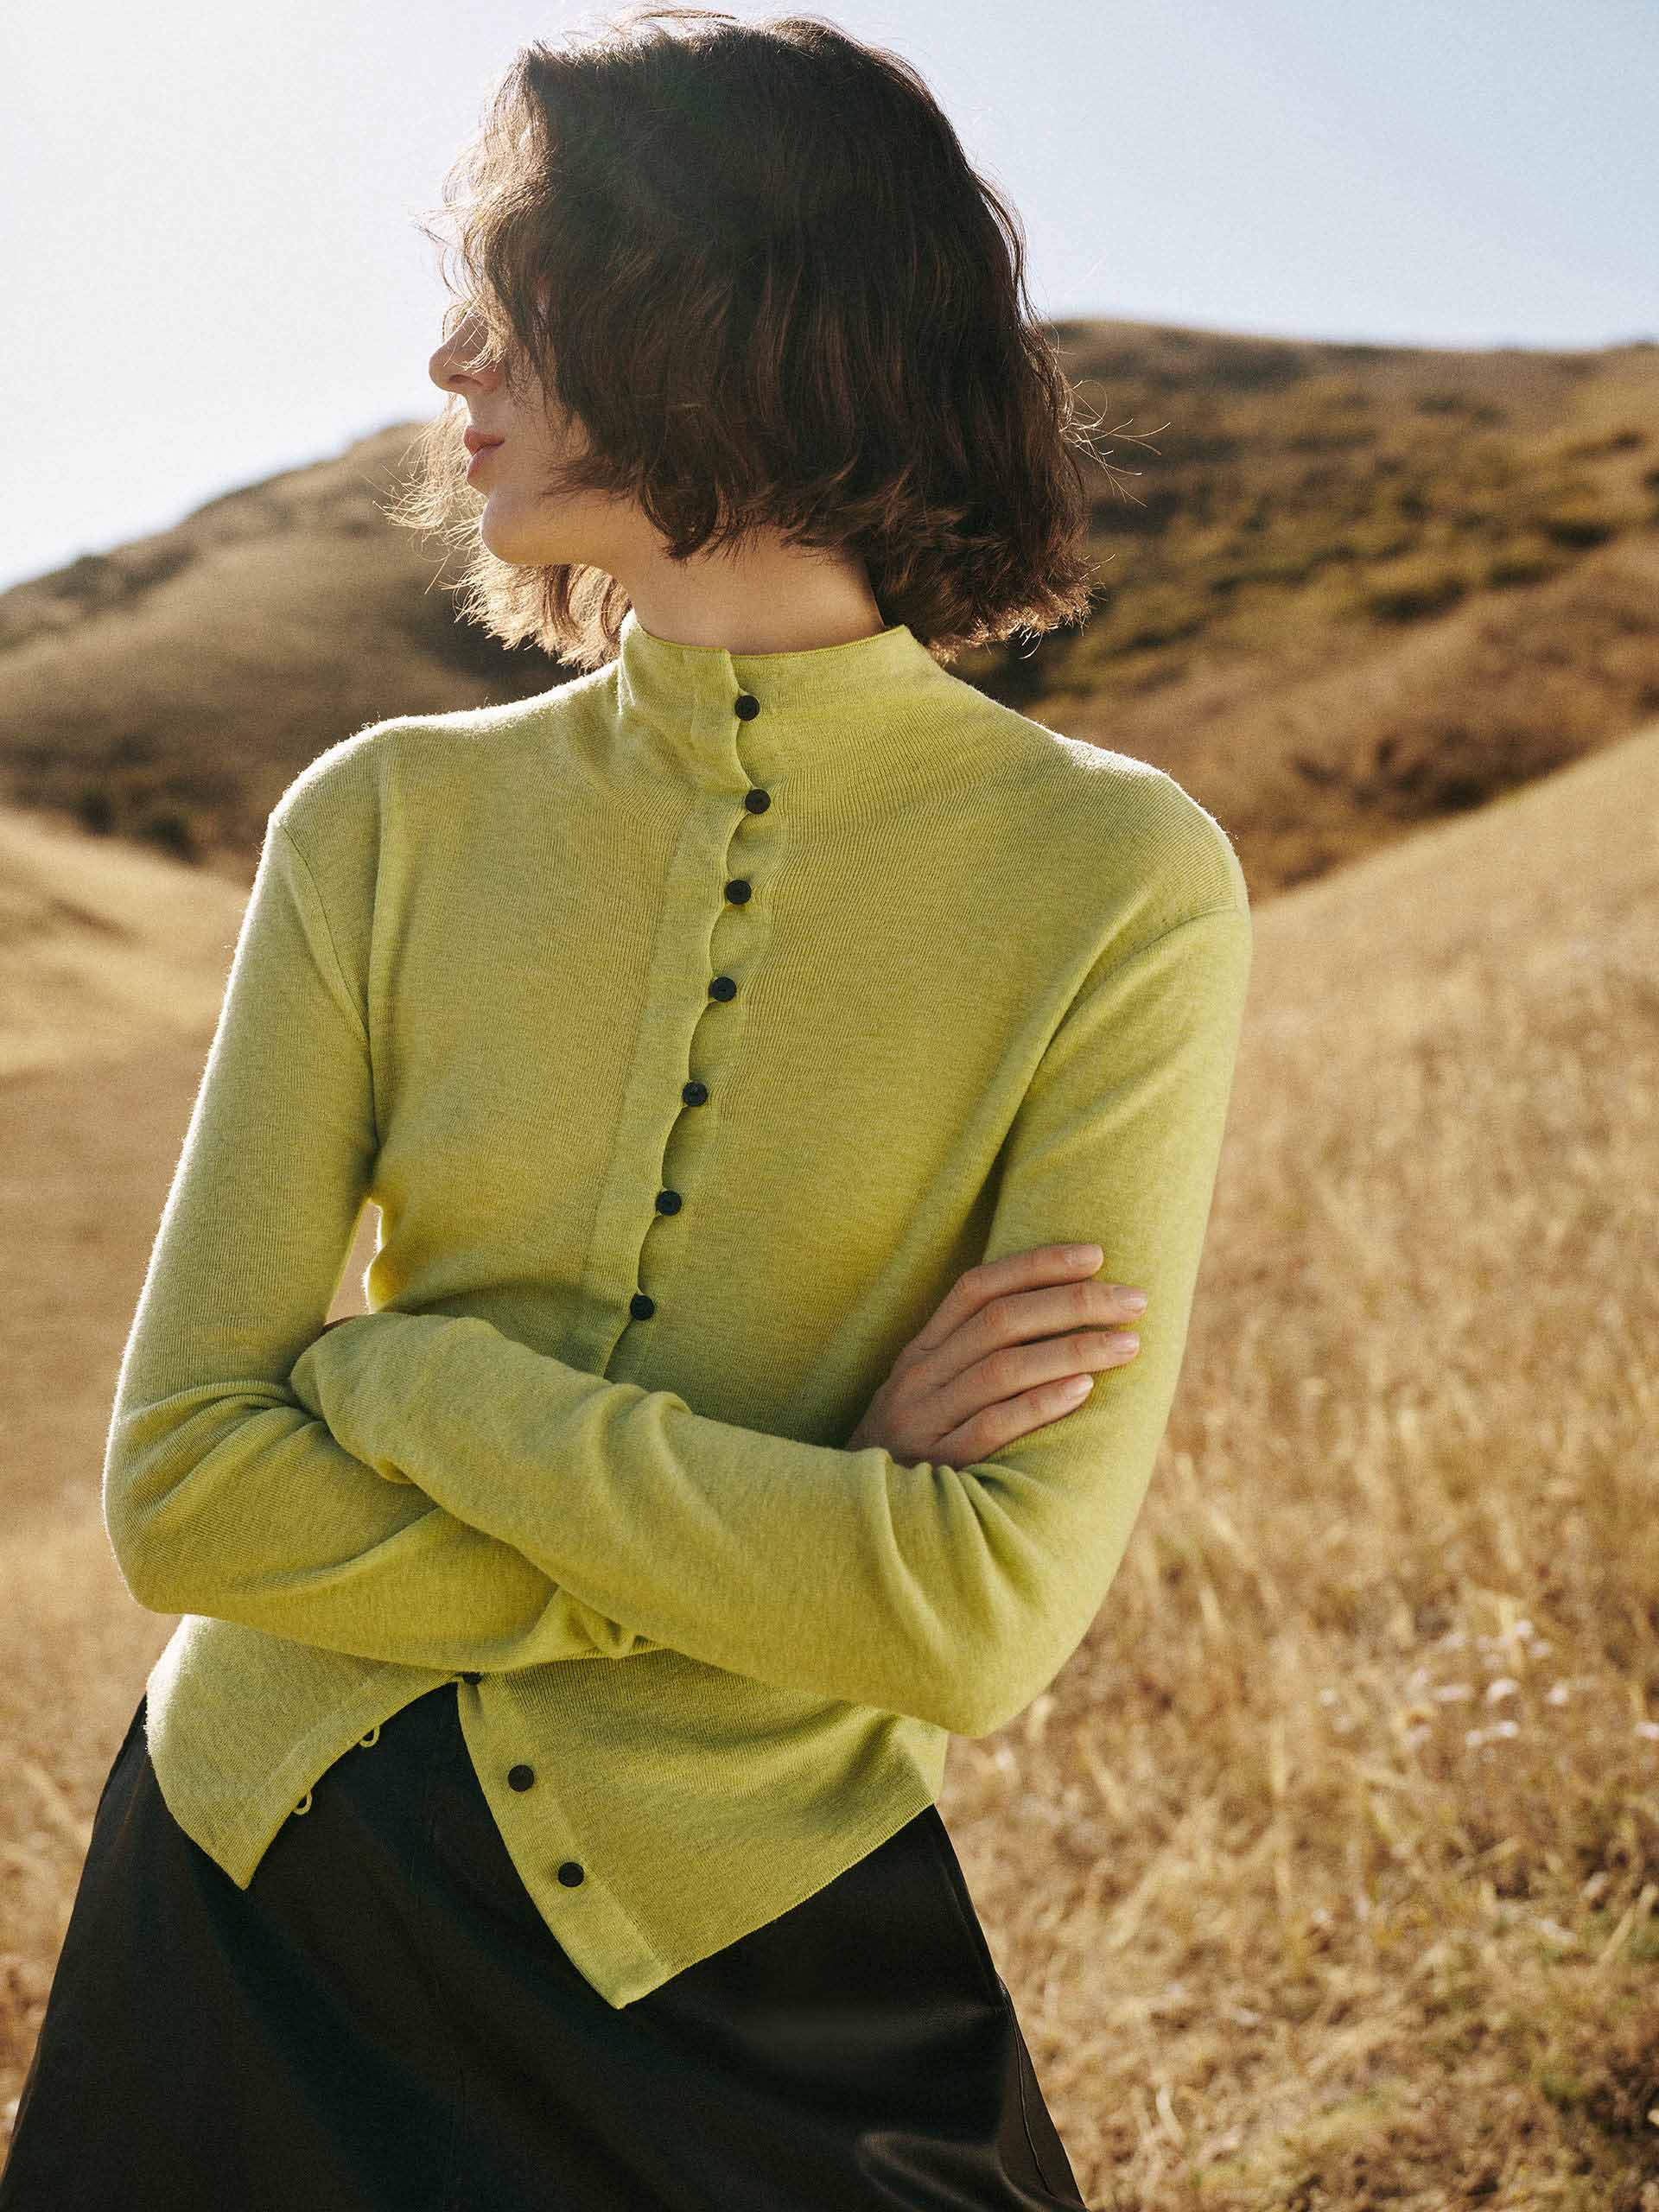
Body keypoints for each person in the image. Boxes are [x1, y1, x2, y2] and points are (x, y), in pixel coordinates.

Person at [2, 10, 1254, 2208]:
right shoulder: (378, 819)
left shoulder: (1115, 877)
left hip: (762, 1908)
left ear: (721, 304)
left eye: (515, 291)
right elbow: (184, 1490)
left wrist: (410, 1382)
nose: (450, 358)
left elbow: (975, 1619)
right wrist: (810, 1511)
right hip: (260, 1873)